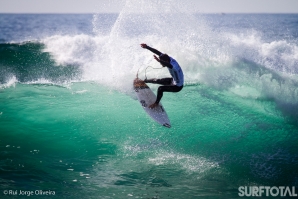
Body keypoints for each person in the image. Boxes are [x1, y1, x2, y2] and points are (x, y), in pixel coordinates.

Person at [140, 43, 184, 109]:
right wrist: (146, 47)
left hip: (177, 86)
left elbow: (168, 65)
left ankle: (156, 104)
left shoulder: (173, 65)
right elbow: (157, 52)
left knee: (160, 89)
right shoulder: (168, 58)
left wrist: (159, 60)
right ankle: (144, 81)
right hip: (173, 81)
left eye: (162, 63)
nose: (161, 65)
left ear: (166, 61)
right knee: (157, 80)